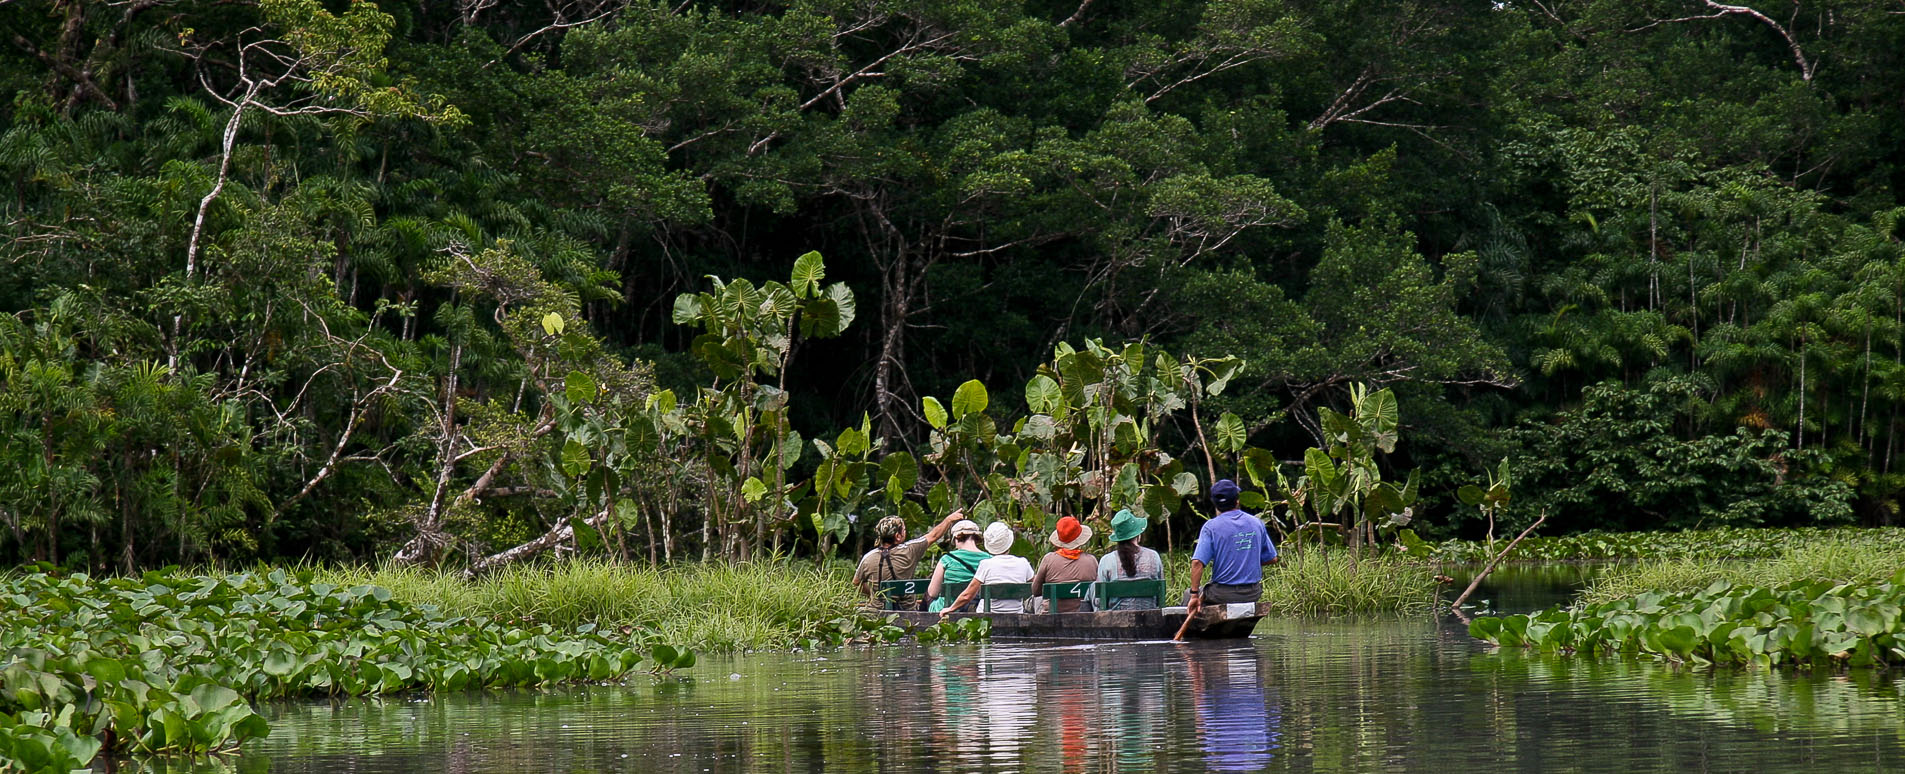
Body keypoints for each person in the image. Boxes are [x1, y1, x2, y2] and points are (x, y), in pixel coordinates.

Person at [1185, 479, 1278, 609]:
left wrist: (1194, 595)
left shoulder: (1210, 527)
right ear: (1237, 500)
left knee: (1187, 595)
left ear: (1215, 503)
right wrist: (1246, 560)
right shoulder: (1256, 523)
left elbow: (1197, 562)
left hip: (1222, 593)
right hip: (1252, 593)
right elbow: (1272, 558)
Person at [853, 508, 966, 608]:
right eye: (904, 530)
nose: (905, 532)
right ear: (898, 536)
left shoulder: (868, 558)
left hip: (877, 612)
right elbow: (934, 535)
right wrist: (948, 520)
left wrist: (874, 594)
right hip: (907, 610)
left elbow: (856, 583)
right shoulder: (910, 550)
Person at [940, 522, 1034, 616]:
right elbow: (1036, 585)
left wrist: (951, 608)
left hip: (987, 617)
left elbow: (967, 595)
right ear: (1010, 543)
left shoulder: (986, 564)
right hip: (1016, 615)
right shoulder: (1023, 563)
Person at [1097, 509, 1163, 610]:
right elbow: (1160, 596)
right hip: (1150, 617)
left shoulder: (1107, 561)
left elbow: (1100, 601)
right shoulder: (1153, 556)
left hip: (1115, 619)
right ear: (1137, 534)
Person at [1030, 515, 1097, 613]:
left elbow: (1036, 591)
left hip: (1052, 615)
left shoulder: (1048, 559)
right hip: (1083, 615)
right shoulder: (1091, 561)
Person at [927, 519, 988, 612]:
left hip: (945, 609)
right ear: (976, 538)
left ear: (956, 538)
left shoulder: (947, 559)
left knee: (928, 596)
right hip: (976, 609)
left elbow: (932, 593)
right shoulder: (988, 559)